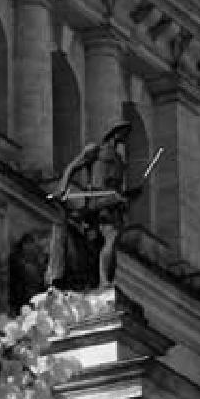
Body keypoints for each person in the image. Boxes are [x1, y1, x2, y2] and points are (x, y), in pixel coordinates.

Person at [45, 121, 131, 288]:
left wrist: (125, 196)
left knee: (109, 240)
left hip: (112, 204)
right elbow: (72, 167)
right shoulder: (95, 150)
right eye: (123, 132)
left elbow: (116, 186)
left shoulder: (119, 160)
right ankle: (103, 281)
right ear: (114, 132)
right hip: (96, 201)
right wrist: (63, 188)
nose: (124, 137)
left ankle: (104, 280)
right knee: (104, 239)